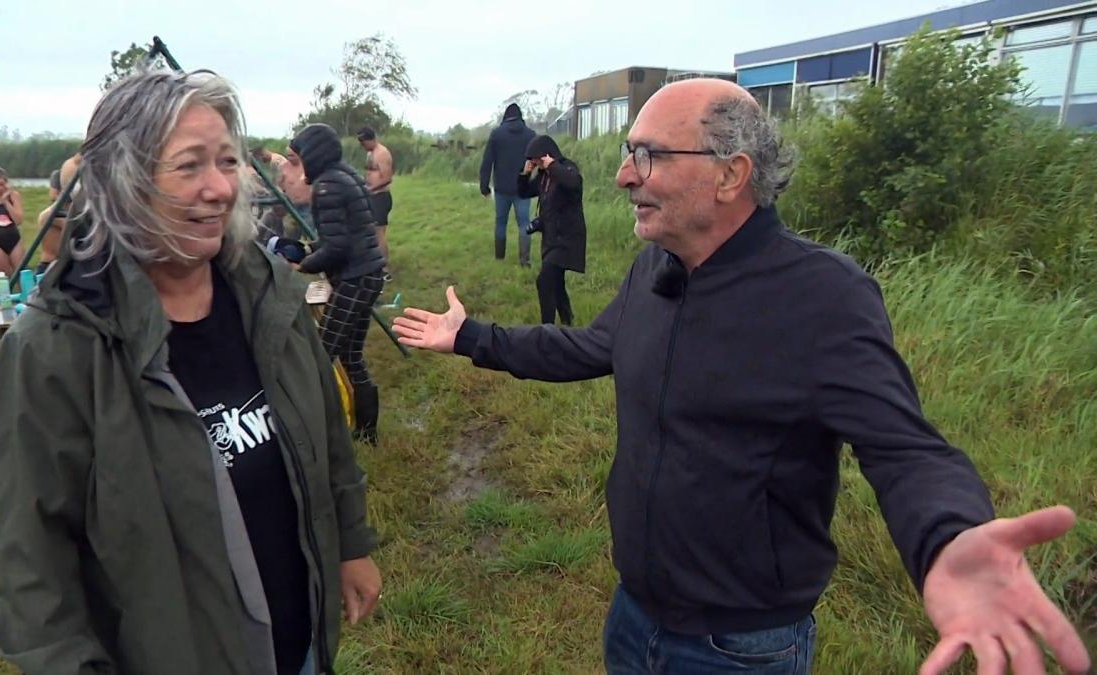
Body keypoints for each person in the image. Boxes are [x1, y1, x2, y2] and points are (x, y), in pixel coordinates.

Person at [392, 79, 1091, 675]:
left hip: (740, 647)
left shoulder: (821, 295)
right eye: (630, 153)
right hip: (634, 616)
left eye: (648, 155)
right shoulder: (655, 269)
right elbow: (590, 347)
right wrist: (472, 337)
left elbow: (904, 446)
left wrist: (948, 534)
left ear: (731, 174)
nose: (624, 174)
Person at [0, 71, 382, 675]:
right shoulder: (60, 346)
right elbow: (34, 559)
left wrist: (350, 544)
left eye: (228, 161)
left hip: (298, 640)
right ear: (124, 183)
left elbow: (326, 434)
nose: (221, 188)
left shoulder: (267, 292)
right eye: (190, 165)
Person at [290, 123, 386, 444]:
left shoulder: (328, 186)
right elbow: (344, 236)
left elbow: (338, 248)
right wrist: (309, 250)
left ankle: (322, 435)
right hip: (368, 274)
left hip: (354, 279)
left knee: (320, 355)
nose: (299, 163)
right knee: (351, 354)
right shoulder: (346, 175)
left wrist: (302, 265)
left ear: (313, 153)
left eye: (301, 156)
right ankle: (366, 432)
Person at [517, 135, 586, 325]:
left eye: (538, 160)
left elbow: (574, 183)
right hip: (550, 237)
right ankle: (567, 320)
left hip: (567, 238)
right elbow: (524, 193)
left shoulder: (566, 167)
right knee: (556, 282)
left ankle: (546, 328)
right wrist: (524, 174)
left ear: (547, 155)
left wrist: (552, 166)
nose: (537, 164)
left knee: (544, 280)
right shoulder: (543, 176)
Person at [479, 103, 537, 266]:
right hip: (523, 188)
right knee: (524, 224)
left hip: (502, 188)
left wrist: (484, 187)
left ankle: (499, 258)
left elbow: (487, 161)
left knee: (501, 223)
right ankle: (525, 261)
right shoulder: (530, 135)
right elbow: (538, 159)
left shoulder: (496, 134)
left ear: (505, 116)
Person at [356, 126, 393, 277]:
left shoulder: (382, 153)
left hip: (380, 197)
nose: (362, 146)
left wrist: (370, 190)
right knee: (369, 230)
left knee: (379, 233)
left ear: (371, 139)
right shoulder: (370, 153)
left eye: (363, 142)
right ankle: (372, 262)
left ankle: (384, 269)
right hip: (371, 196)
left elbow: (387, 178)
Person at [33, 169, 69, 275]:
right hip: (49, 266)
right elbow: (75, 229)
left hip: (61, 266)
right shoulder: (52, 215)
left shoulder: (65, 213)